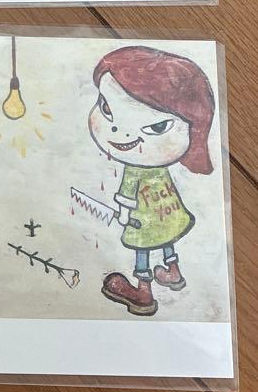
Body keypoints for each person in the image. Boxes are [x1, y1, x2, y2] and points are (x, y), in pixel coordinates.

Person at [87, 46, 215, 316]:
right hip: (169, 215)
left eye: (157, 127)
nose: (118, 132)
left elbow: (127, 195)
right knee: (167, 238)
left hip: (144, 220)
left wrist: (124, 216)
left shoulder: (136, 169)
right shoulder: (159, 168)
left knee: (142, 250)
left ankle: (143, 291)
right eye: (106, 108)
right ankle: (173, 271)